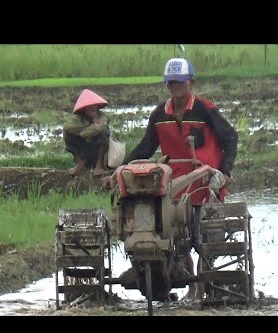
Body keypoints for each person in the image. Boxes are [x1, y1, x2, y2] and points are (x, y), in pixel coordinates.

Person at [122, 57, 239, 300]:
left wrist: (225, 172)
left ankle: (203, 285)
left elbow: (230, 137)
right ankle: (191, 285)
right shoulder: (159, 115)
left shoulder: (204, 110)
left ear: (191, 82)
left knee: (204, 239)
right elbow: (146, 147)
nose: (174, 88)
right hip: (172, 187)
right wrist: (123, 169)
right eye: (170, 83)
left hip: (204, 184)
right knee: (174, 238)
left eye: (179, 82)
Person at [63, 89, 110, 176]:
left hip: (98, 149)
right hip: (84, 149)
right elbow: (67, 127)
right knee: (67, 135)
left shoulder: (102, 116)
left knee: (104, 133)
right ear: (84, 109)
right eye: (89, 107)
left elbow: (102, 127)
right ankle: (81, 163)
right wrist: (88, 131)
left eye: (94, 106)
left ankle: (99, 165)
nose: (92, 109)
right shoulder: (77, 118)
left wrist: (84, 132)